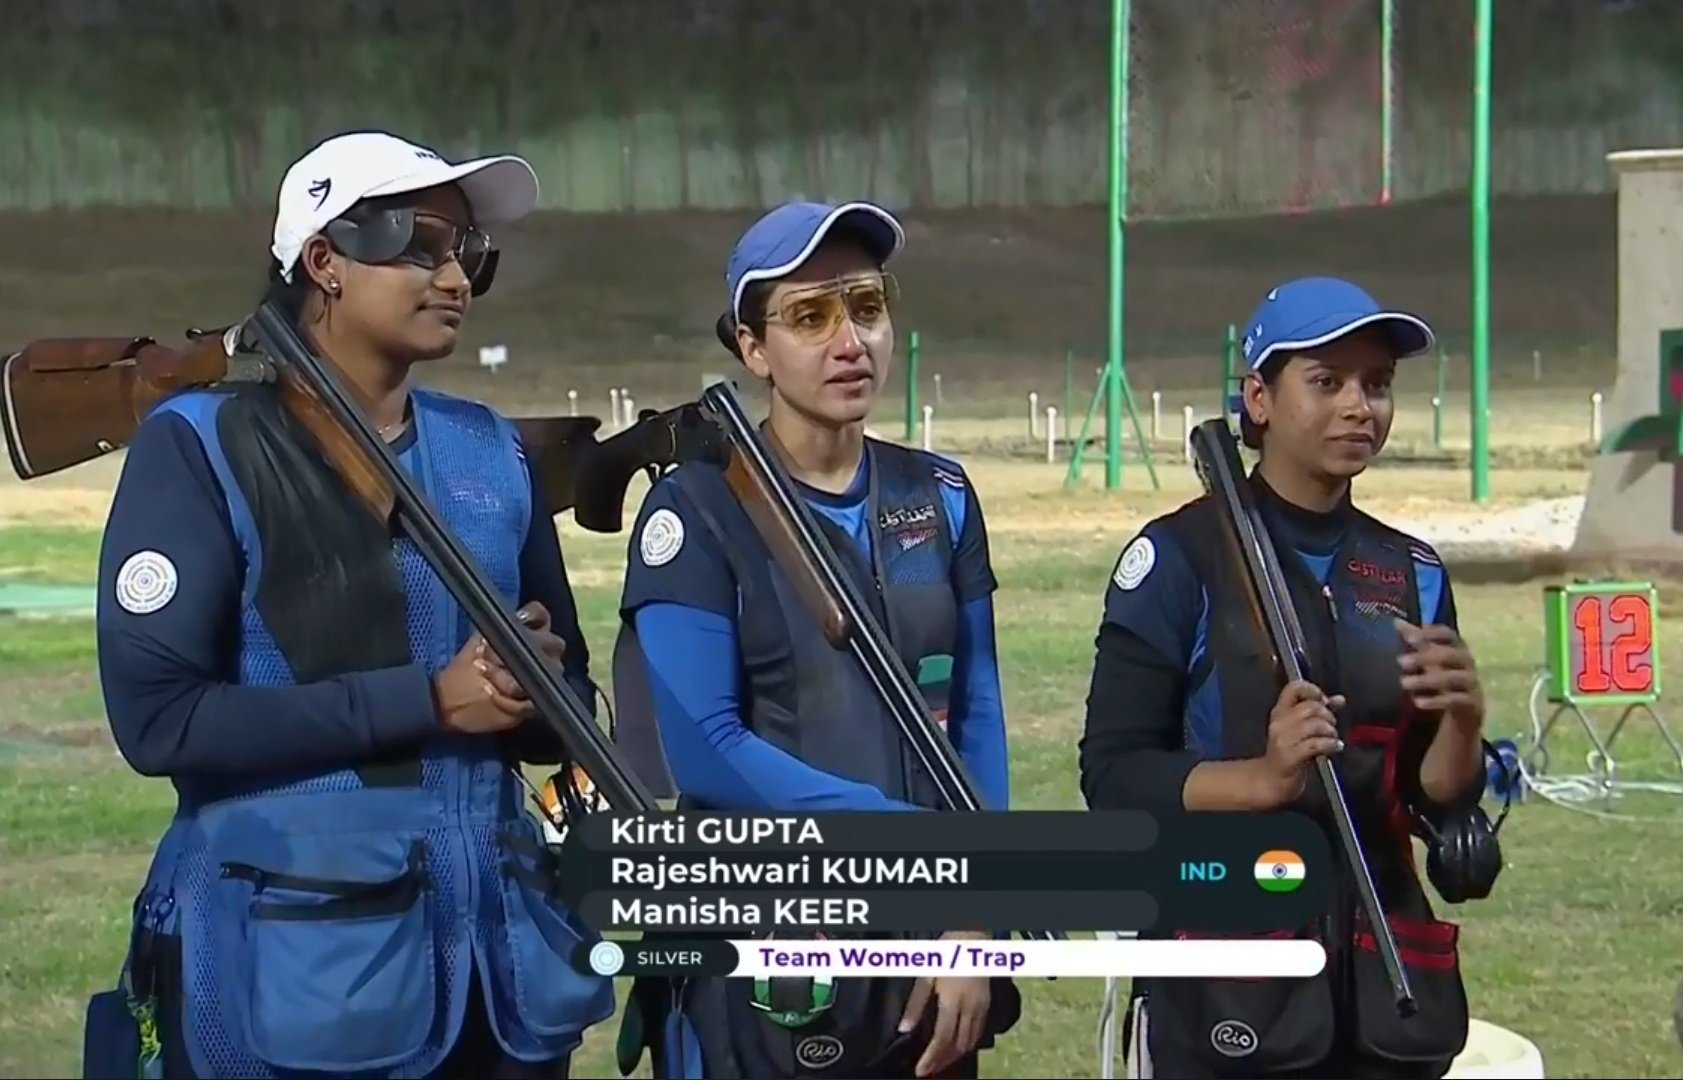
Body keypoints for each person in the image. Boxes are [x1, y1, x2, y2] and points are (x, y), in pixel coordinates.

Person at [82, 130, 615, 1080]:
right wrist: (431, 701)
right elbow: (158, 722)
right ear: (323, 261)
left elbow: (563, 694)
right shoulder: (199, 444)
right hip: (292, 969)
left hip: (498, 974)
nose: (454, 275)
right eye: (421, 244)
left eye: (467, 253)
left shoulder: (493, 451)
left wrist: (536, 689)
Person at [608, 200, 1019, 1079]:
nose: (850, 341)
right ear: (752, 349)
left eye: (866, 308)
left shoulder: (941, 495)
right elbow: (707, 754)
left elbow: (975, 710)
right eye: (809, 316)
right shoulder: (695, 511)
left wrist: (973, 904)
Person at [1079, 277, 1499, 1079]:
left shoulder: (1411, 570)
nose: (1358, 406)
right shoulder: (1177, 559)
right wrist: (1262, 779)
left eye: (1376, 384)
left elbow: (1433, 798)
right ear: (1258, 399)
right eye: (1326, 380)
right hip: (1226, 983)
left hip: (1386, 987)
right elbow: (1113, 777)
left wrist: (1463, 724)